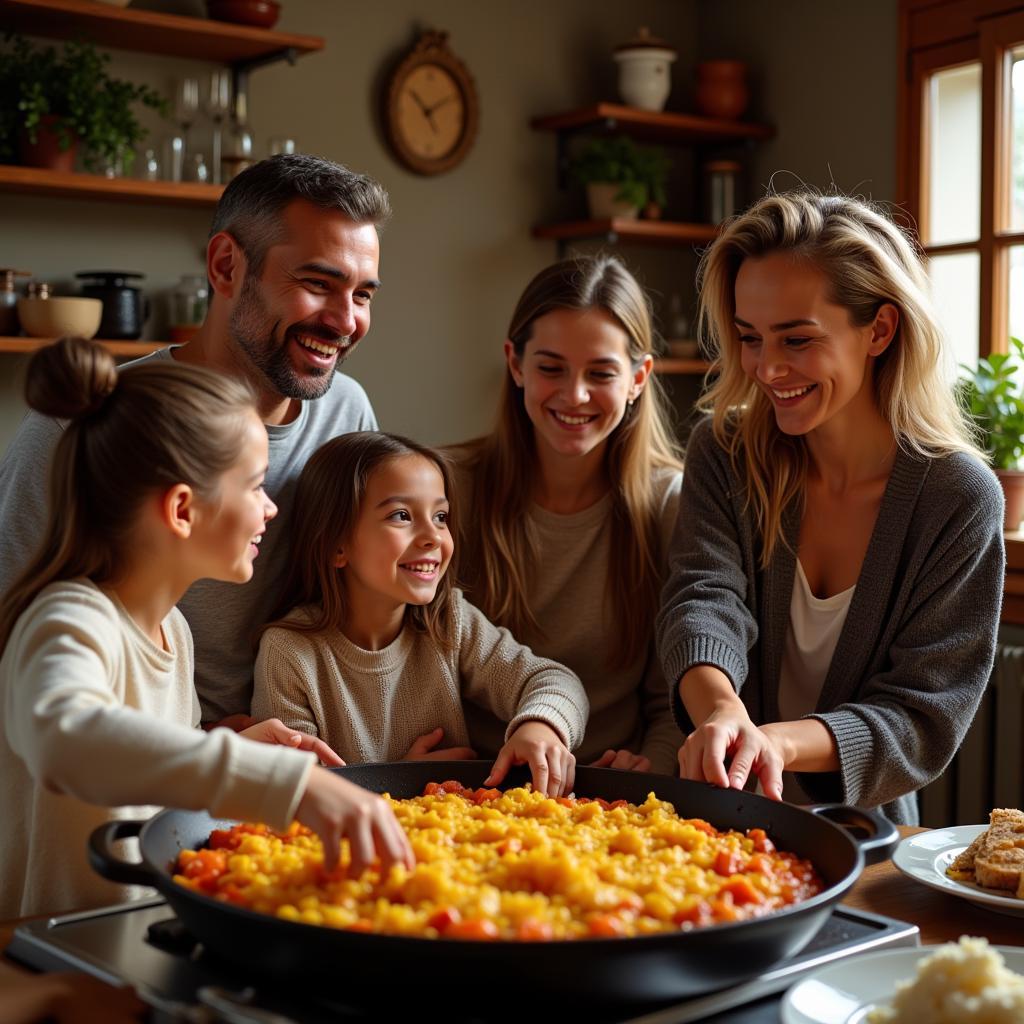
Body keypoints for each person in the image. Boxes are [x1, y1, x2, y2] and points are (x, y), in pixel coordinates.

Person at [0, 339, 413, 919]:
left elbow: (148, 773)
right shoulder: (70, 616)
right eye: (253, 486)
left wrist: (236, 747)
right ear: (182, 510)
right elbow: (66, 739)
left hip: (136, 929)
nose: (270, 508)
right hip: (47, 948)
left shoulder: (174, 628)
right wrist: (279, 782)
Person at [0, 154, 387, 728]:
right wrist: (214, 744)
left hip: (293, 760)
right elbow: (15, 650)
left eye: (362, 295)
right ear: (227, 266)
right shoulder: (89, 422)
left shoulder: (347, 412)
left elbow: (358, 615)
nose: (344, 320)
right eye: (317, 283)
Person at [655, 191, 1005, 824]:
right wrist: (721, 712)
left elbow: (922, 715)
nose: (766, 368)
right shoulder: (724, 450)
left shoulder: (960, 499)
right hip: (717, 820)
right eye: (750, 338)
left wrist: (775, 742)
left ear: (879, 329)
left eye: (797, 339)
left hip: (865, 839)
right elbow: (703, 599)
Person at [447, 255, 684, 776]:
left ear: (638, 378)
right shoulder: (445, 488)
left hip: (613, 795)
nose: (574, 395)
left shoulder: (671, 504)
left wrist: (654, 765)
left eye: (601, 373)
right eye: (550, 368)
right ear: (515, 364)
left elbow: (675, 695)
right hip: (468, 784)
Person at [252, 432, 589, 797]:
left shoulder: (448, 620)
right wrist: (402, 779)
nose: (432, 536)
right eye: (401, 516)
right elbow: (296, 791)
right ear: (337, 545)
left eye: (441, 516)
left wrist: (540, 725)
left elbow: (557, 681)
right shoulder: (289, 652)